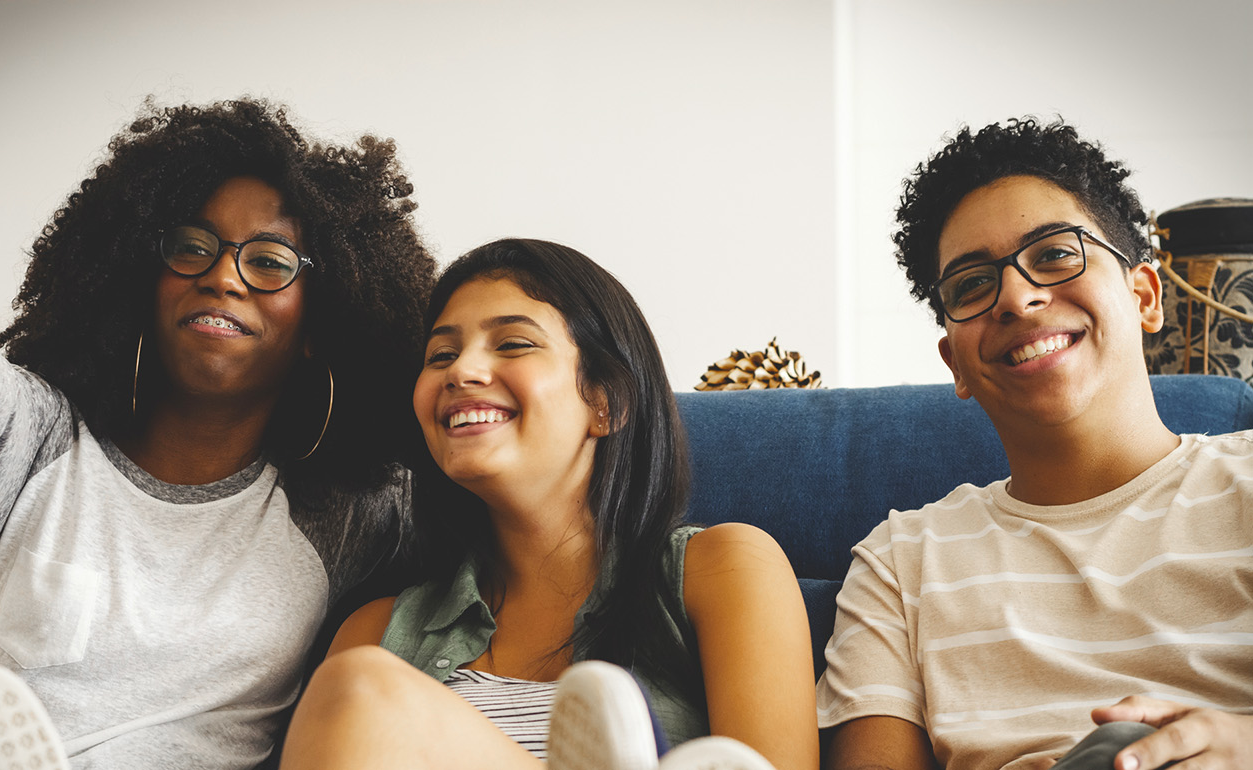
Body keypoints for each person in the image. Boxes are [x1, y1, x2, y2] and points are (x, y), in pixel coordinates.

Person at [0, 98, 436, 769]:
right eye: (192, 248)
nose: (220, 276)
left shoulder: (342, 512)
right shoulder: (37, 445)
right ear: (143, 283)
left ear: (319, 325)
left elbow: (498, 516)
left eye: (269, 261)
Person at [278, 238, 820, 770]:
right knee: (357, 689)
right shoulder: (376, 633)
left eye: (513, 344)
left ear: (607, 402)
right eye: (441, 354)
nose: (461, 371)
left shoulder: (723, 569)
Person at [815, 118, 1253, 770]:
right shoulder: (900, 565)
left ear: (1145, 296)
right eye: (971, 285)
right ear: (954, 365)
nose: (1016, 298)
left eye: (1053, 253)